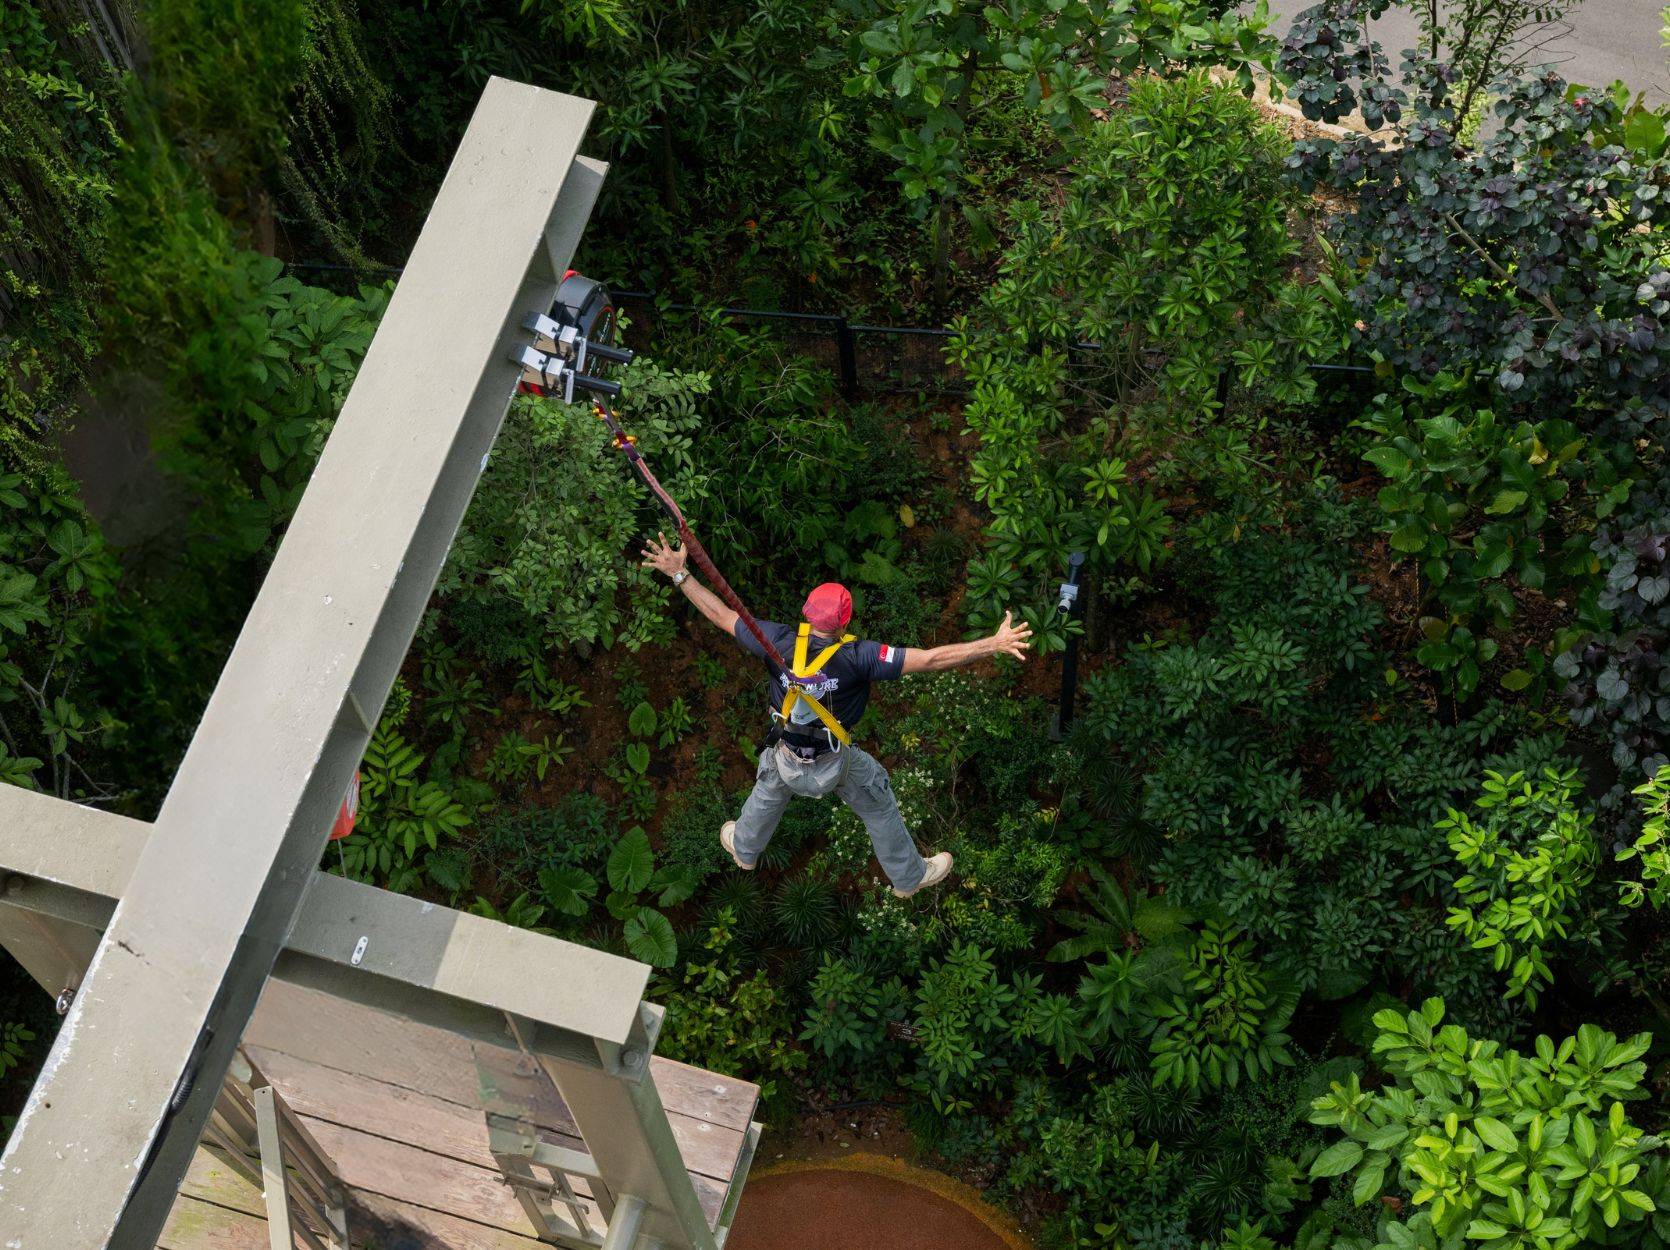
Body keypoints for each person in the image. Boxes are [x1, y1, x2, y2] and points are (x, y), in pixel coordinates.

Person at [641, 532, 1034, 897]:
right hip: (835, 762)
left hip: (787, 757)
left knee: (771, 780)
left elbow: (721, 615)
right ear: (844, 622)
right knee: (878, 802)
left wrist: (679, 574)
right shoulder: (861, 656)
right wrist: (993, 644)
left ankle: (744, 849)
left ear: (806, 612)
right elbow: (931, 659)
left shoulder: (776, 641)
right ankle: (908, 878)